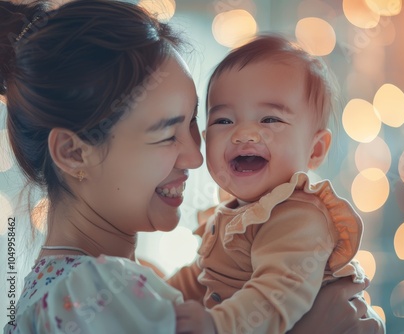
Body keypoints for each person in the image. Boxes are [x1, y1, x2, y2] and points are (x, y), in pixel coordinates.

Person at [0, 0, 384, 333]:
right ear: (73, 153)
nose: (196, 157)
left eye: (193, 124)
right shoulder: (93, 296)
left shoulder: (82, 292)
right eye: (167, 135)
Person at [167, 35, 383, 334]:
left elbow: (275, 295)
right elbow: (201, 277)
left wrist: (217, 325)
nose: (244, 134)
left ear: (315, 150)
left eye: (269, 119)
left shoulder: (298, 216)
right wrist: (162, 297)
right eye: (224, 121)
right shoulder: (235, 213)